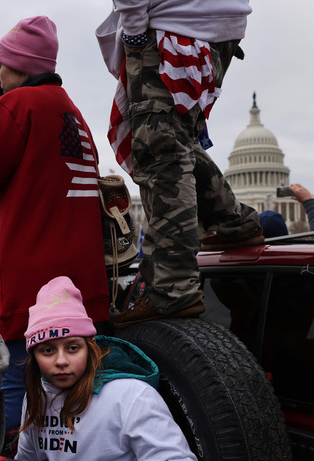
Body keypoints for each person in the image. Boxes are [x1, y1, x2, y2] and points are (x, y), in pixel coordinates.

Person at [0, 16, 110, 441]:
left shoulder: (17, 104)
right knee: (78, 403)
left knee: (19, 390)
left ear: (20, 66)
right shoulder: (73, 112)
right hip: (80, 288)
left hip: (33, 292)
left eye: (1, 66)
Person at [10, 277, 219, 461]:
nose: (61, 361)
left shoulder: (131, 396)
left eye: (72, 347)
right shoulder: (36, 395)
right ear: (34, 355)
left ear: (90, 346)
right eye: (47, 350)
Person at [96, 1, 263, 329]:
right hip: (218, 30)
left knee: (160, 150)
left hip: (171, 30)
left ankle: (173, 288)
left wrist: (133, 35)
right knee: (175, 141)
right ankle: (233, 222)